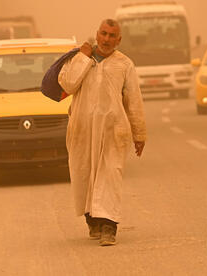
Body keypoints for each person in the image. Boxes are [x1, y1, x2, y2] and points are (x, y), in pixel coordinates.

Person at [58, 19, 147, 246]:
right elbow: (67, 85)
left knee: (110, 176)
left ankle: (109, 226)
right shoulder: (79, 58)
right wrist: (83, 58)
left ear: (118, 40)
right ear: (96, 35)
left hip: (113, 131)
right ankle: (93, 222)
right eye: (103, 34)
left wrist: (139, 134)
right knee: (84, 176)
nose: (107, 39)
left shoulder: (124, 64)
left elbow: (134, 101)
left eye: (112, 36)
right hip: (82, 130)